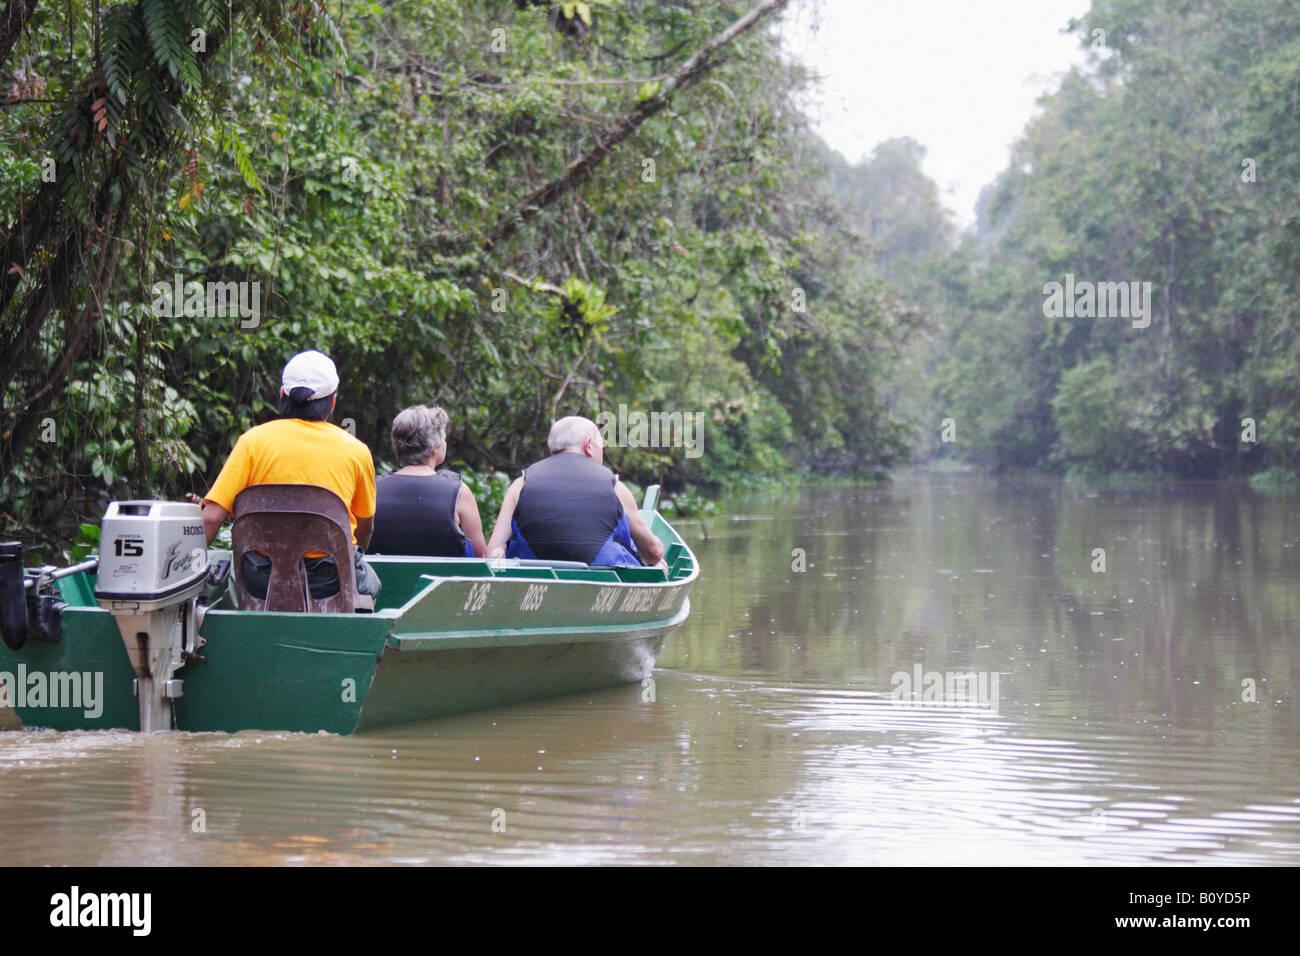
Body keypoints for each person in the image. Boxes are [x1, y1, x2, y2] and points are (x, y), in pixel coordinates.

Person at [201, 349, 381, 599]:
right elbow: (365, 528)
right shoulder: (356, 451)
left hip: (262, 580)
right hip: (330, 580)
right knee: (370, 582)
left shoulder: (252, 442)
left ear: (282, 395)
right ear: (332, 402)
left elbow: (211, 519)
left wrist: (186, 571)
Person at [486, 416, 665, 568]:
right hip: (601, 581)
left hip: (533, 582)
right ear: (588, 446)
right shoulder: (615, 486)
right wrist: (655, 562)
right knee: (658, 564)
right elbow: (653, 551)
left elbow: (494, 552)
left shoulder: (520, 484)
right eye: (600, 446)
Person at [368, 405, 487, 557]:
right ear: (435, 447)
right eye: (444, 439)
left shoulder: (373, 489)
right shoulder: (458, 492)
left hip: (384, 580)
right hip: (444, 580)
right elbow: (481, 556)